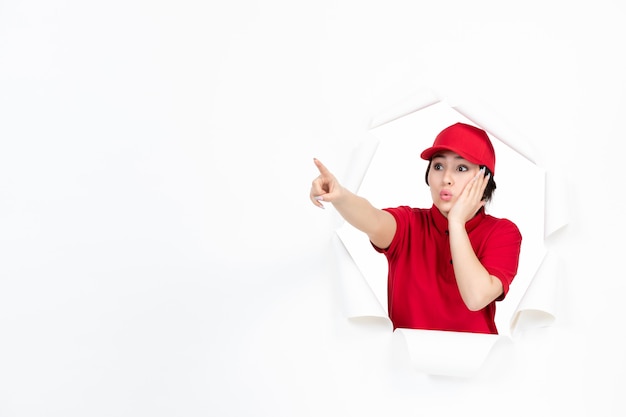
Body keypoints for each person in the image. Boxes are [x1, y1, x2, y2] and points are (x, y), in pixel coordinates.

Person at [310, 122, 522, 334]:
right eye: (438, 166)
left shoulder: (502, 233)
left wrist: (456, 223)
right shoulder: (409, 224)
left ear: (484, 181)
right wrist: (340, 196)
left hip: (476, 363)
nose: (446, 179)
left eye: (461, 168)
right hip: (404, 364)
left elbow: (476, 297)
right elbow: (373, 219)